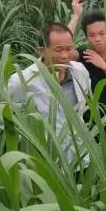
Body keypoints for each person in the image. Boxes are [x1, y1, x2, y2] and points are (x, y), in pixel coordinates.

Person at [8, 23, 91, 161]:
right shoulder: (22, 80)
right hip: (46, 160)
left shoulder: (80, 71)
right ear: (42, 51)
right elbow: (1, 106)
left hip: (82, 157)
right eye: (58, 50)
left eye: (69, 49)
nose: (65, 55)